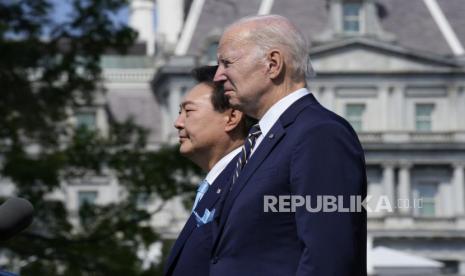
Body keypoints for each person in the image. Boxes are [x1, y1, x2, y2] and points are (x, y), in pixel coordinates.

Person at [211, 15, 367, 275]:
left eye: (227, 63)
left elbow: (328, 258)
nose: (218, 76)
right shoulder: (262, 139)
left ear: (273, 64)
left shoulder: (320, 134)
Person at [164, 65, 252, 276]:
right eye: (179, 112)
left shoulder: (247, 184)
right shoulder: (222, 182)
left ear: (232, 118)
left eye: (189, 111)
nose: (178, 123)